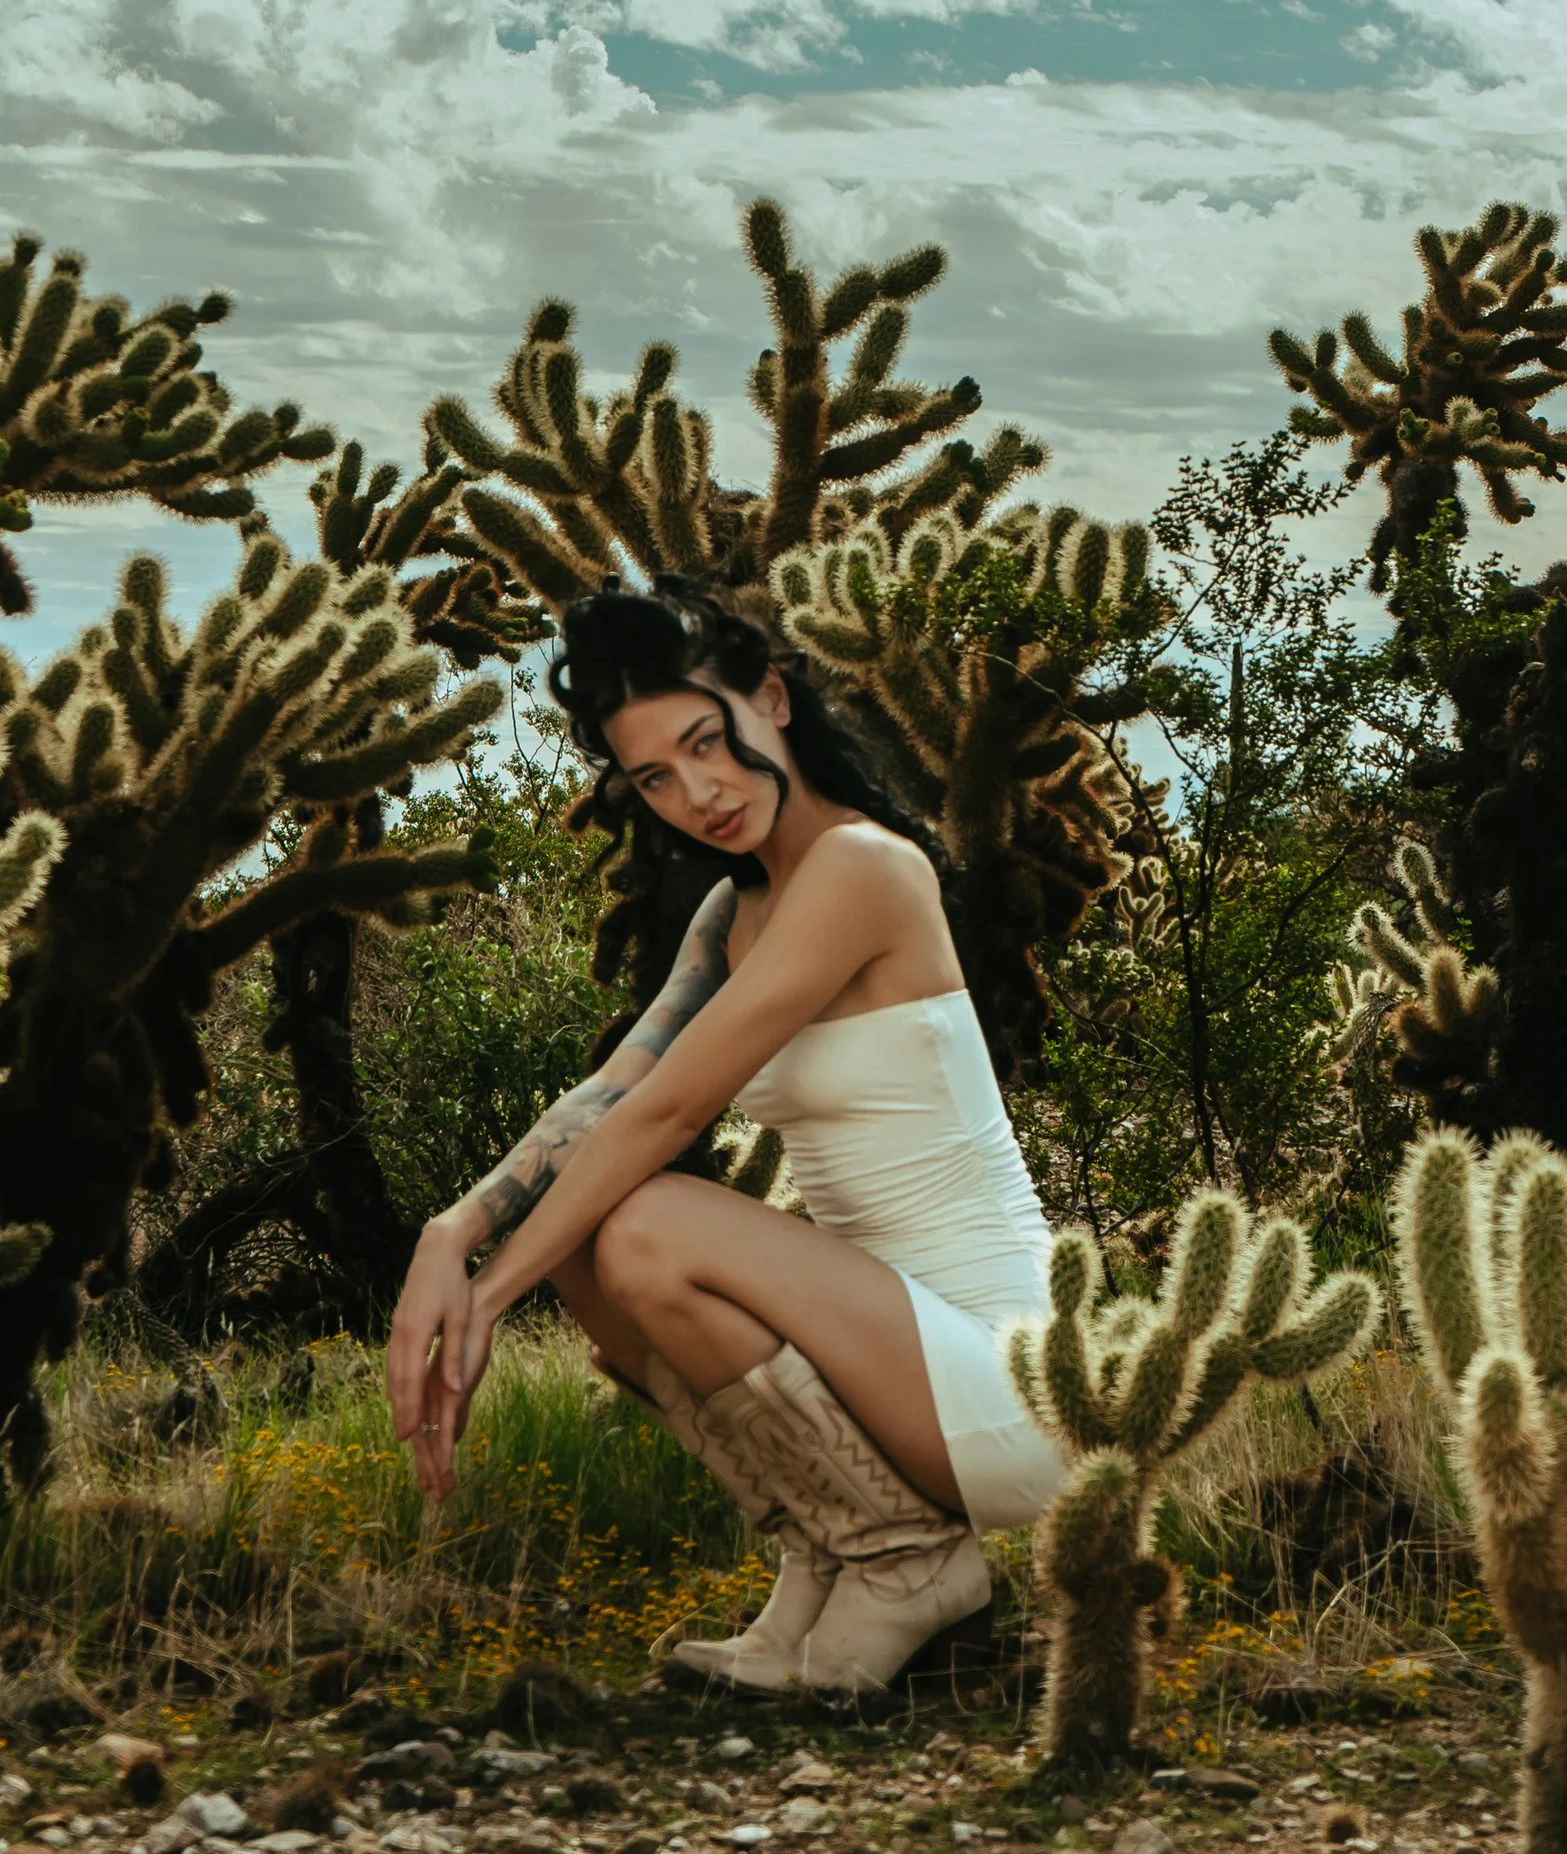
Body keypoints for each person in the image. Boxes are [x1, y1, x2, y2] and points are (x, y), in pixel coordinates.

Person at [382, 576, 1066, 1695]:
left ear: (772, 699)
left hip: (998, 1377)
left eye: (709, 740)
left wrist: (489, 1291)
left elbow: (665, 1114)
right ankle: (834, 1548)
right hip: (884, 1354)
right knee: (592, 1256)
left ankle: (907, 1563)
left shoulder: (862, 866)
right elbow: (607, 1092)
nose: (696, 792)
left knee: (636, 1218)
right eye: (654, 773)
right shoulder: (733, 912)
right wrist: (448, 1232)